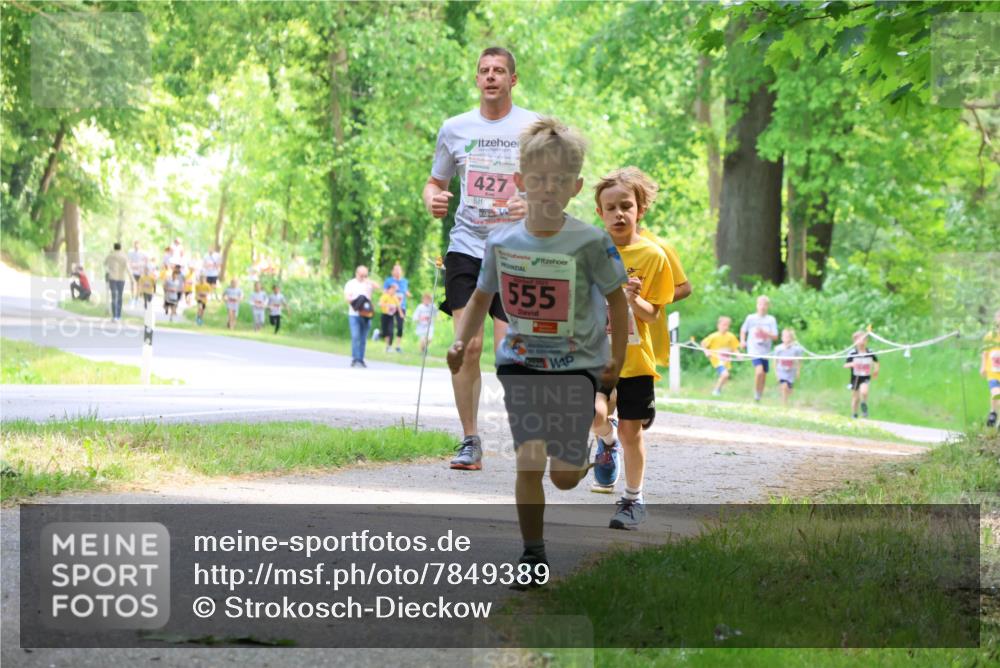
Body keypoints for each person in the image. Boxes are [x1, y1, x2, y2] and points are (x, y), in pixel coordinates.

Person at [446, 117, 628, 583]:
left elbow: (616, 299)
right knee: (529, 461)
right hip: (521, 364)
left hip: (577, 367)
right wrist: (461, 340)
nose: (548, 188)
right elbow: (481, 297)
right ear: (520, 181)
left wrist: (617, 357)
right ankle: (532, 555)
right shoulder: (502, 240)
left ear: (575, 187)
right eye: (539, 179)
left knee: (564, 477)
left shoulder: (590, 241)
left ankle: (587, 448)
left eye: (559, 181)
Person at [423, 46, 540, 471]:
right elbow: (434, 182)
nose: (491, 76)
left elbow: (558, 185)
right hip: (467, 248)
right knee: (467, 346)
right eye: (484, 70)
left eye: (499, 70)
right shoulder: (455, 128)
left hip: (516, 250)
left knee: (509, 353)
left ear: (513, 79)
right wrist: (433, 200)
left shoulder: (534, 127)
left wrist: (534, 204)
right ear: (476, 79)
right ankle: (470, 440)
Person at [589, 167, 673, 530]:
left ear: (641, 210)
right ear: (600, 212)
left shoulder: (653, 256)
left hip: (636, 360)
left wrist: (631, 300)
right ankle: (606, 443)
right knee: (592, 415)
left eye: (626, 206)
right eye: (611, 208)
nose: (619, 214)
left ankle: (633, 499)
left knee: (631, 430)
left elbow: (653, 314)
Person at [740, 296, 779, 402]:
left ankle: (759, 395)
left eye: (765, 304)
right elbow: (743, 330)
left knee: (764, 374)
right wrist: (742, 341)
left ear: (768, 306)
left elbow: (775, 336)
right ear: (757, 305)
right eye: (760, 304)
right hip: (754, 349)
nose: (762, 307)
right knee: (759, 371)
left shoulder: (771, 320)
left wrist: (765, 332)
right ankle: (756, 394)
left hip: (765, 351)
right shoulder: (750, 318)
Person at [701, 316, 740, 396]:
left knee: (725, 377)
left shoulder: (731, 336)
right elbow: (703, 344)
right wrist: (706, 352)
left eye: (727, 325)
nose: (726, 327)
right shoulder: (713, 336)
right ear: (718, 325)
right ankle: (716, 391)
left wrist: (738, 355)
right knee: (725, 375)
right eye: (724, 325)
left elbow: (734, 348)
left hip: (726, 360)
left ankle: (718, 390)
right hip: (717, 360)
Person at [344, 265, 375, 368]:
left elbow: (379, 288)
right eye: (362, 275)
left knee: (363, 338)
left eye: (365, 275)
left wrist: (369, 282)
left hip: (366, 314)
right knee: (355, 336)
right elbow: (347, 298)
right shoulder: (351, 284)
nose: (363, 277)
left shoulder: (368, 284)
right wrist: (358, 302)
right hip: (354, 314)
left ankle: (361, 359)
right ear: (357, 273)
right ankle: (355, 359)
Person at [844, 331, 879, 418]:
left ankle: (864, 404)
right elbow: (845, 365)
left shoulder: (869, 352)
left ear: (866, 341)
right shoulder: (852, 353)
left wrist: (876, 370)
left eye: (864, 339)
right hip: (855, 377)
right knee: (855, 398)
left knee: (864, 392)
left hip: (865, 376)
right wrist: (853, 364)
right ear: (854, 341)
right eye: (859, 340)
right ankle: (854, 414)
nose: (861, 342)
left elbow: (876, 361)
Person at [774, 328, 806, 405]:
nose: (786, 338)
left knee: (789, 390)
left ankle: (785, 397)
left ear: (792, 338)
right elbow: (775, 361)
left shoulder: (796, 349)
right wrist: (776, 373)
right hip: (781, 371)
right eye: (784, 336)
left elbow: (799, 360)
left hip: (791, 372)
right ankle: (784, 404)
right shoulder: (778, 348)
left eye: (788, 337)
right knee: (784, 386)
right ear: (782, 338)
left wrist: (798, 371)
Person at [383, 263, 411, 352]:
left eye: (399, 270)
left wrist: (408, 294)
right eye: (395, 270)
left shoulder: (405, 281)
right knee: (389, 327)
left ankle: (398, 346)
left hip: (401, 307)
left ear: (401, 271)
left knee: (400, 326)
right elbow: (384, 292)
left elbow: (406, 292)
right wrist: (392, 291)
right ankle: (388, 346)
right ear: (392, 271)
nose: (397, 271)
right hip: (390, 307)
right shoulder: (388, 280)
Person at [982, 309, 1000, 428]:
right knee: (996, 393)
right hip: (992, 372)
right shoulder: (990, 336)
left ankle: (994, 414)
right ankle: (993, 412)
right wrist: (983, 366)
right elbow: (985, 353)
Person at [103, 242, 129, 321]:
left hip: (112, 277)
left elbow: (104, 264)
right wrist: (132, 279)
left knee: (114, 296)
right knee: (120, 296)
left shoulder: (110, 255)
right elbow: (127, 267)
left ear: (114, 248)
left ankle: (114, 316)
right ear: (120, 248)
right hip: (121, 278)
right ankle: (119, 316)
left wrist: (109, 269)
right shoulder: (124, 256)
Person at [379, 283, 402, 353]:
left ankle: (389, 346)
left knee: (391, 331)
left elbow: (398, 306)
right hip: (384, 315)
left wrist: (401, 313)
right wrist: (387, 305)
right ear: (388, 290)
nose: (393, 291)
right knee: (385, 331)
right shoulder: (385, 296)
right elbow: (380, 304)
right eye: (392, 290)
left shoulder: (395, 297)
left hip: (391, 316)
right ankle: (386, 344)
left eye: (394, 290)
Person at [127, 241, 146, 305]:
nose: (136, 246)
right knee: (132, 284)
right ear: (133, 245)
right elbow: (129, 261)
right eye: (135, 245)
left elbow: (145, 261)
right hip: (133, 271)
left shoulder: (142, 253)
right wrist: (130, 267)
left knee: (139, 285)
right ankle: (132, 298)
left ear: (140, 245)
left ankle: (137, 299)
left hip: (140, 271)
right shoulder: (130, 252)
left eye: (137, 245)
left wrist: (140, 267)